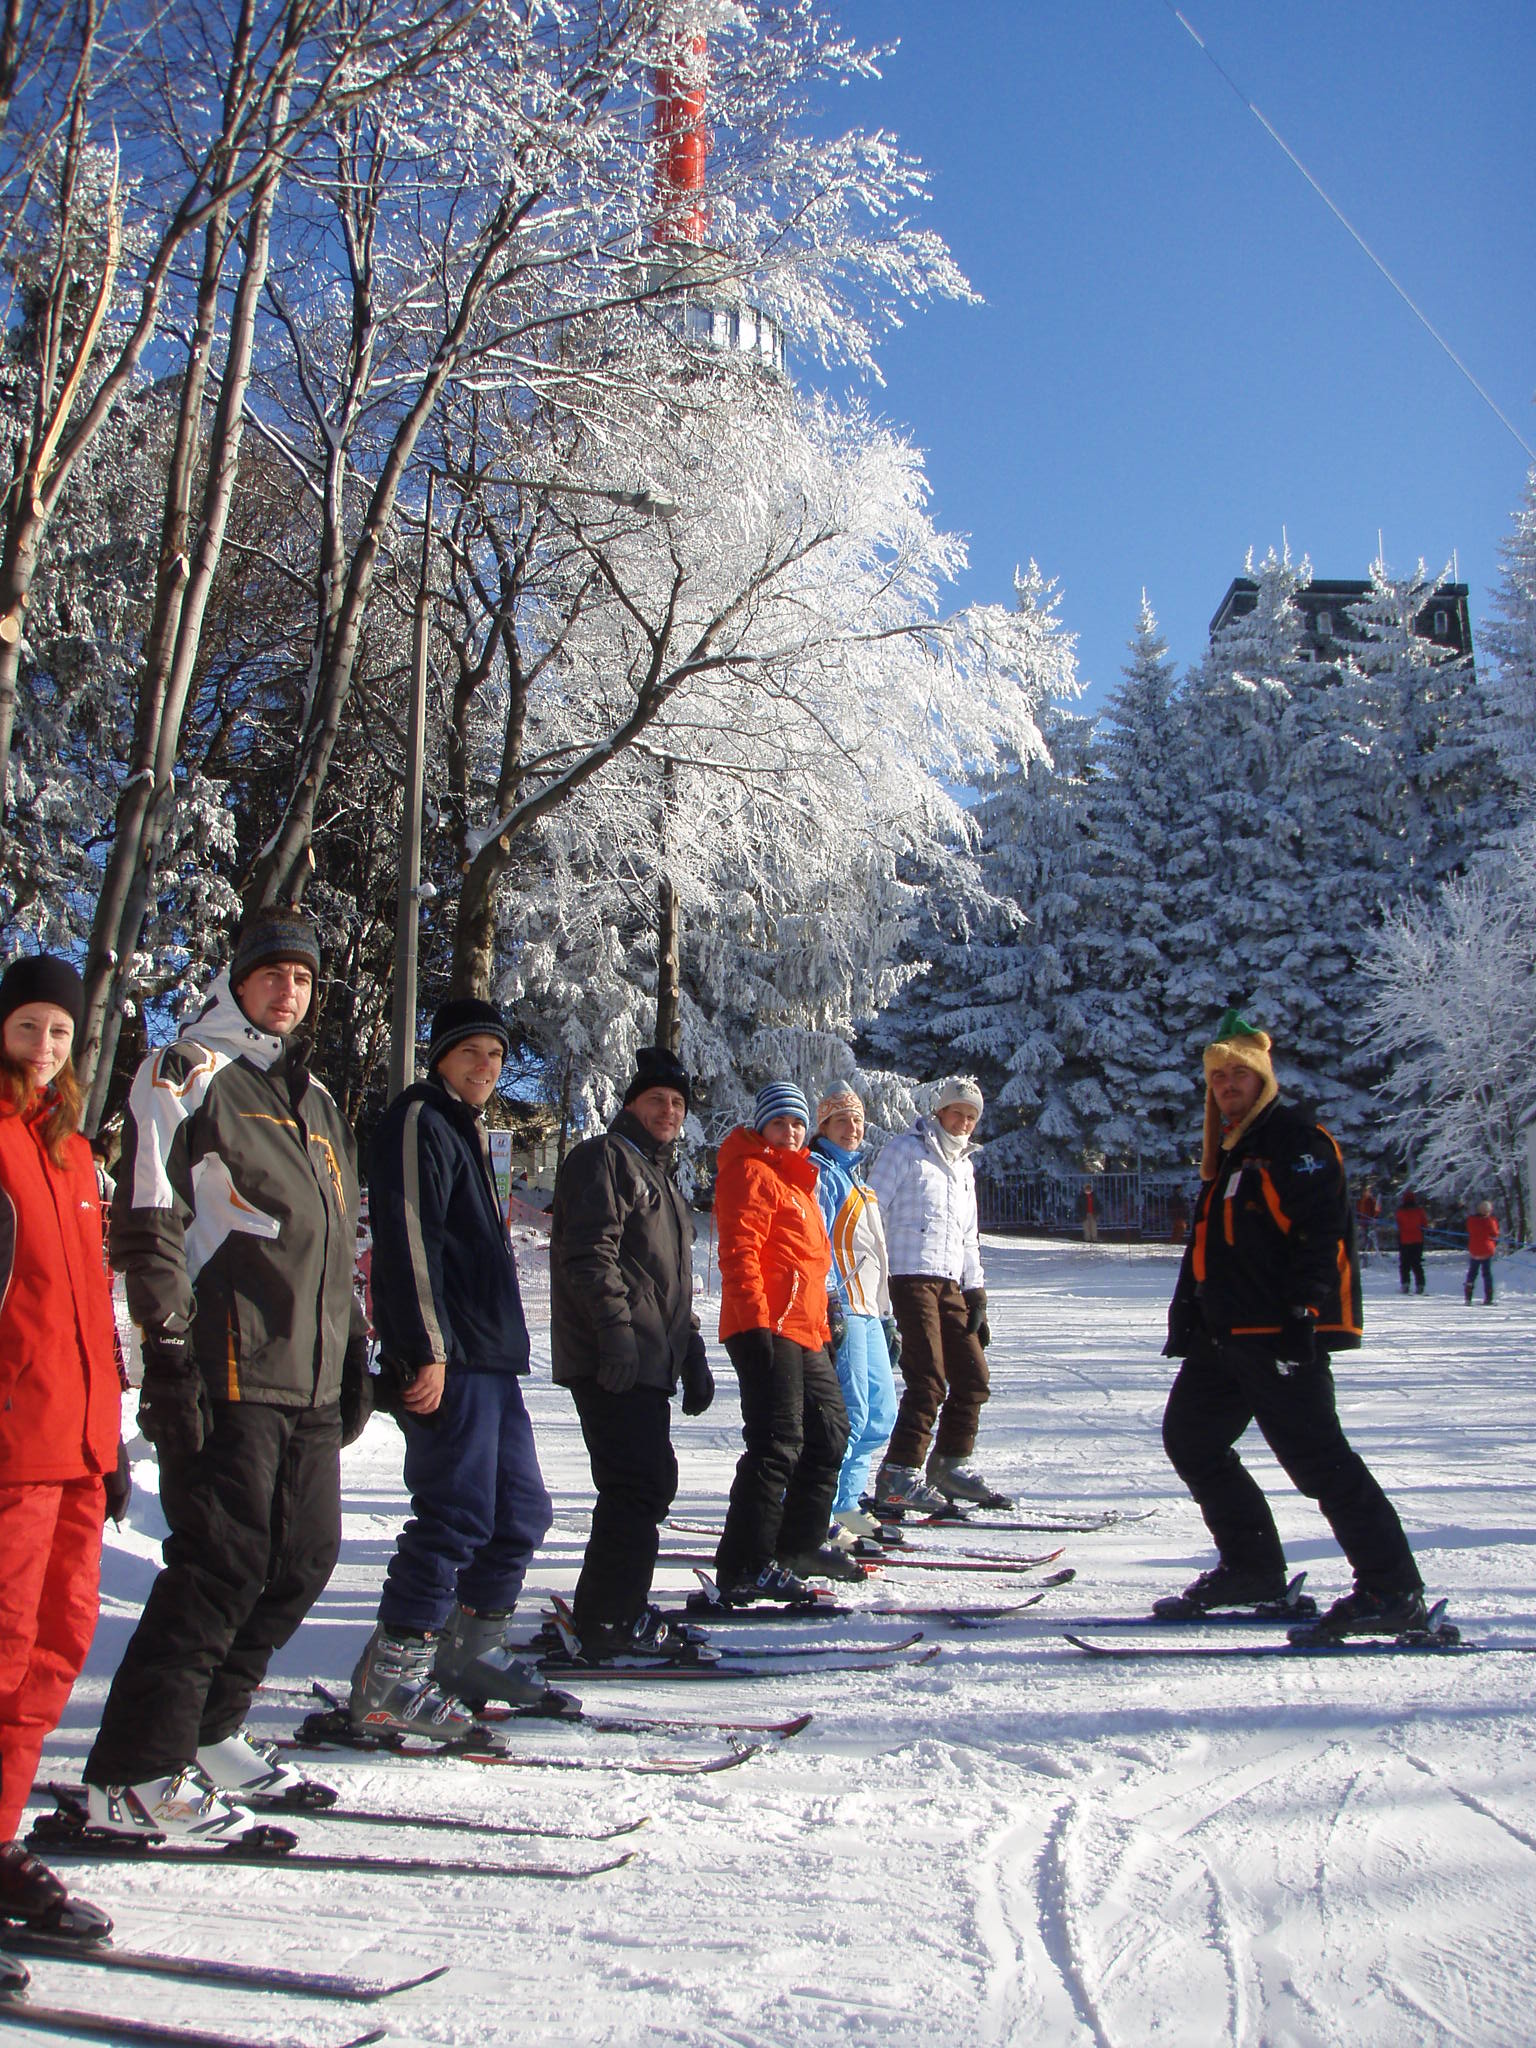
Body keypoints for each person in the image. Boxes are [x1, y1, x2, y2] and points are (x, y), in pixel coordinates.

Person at [82, 907, 372, 1839]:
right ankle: (131, 1773)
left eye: (303, 979)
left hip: (311, 1375)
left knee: (302, 1560)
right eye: (272, 975)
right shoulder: (188, 1074)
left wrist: (356, 1340)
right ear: (238, 980)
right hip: (230, 1364)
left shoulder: (316, 1099)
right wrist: (163, 1348)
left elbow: (329, 1239)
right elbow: (150, 1220)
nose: (288, 991)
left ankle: (208, 1733)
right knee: (219, 1566)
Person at [1161, 1008, 1427, 1634]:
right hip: (1222, 1337)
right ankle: (1253, 1568)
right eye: (1218, 1077)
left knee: (1318, 1460)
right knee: (1193, 1440)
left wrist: (1307, 1313)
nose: (1228, 1085)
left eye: (1239, 1074)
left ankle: (1393, 1591)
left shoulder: (1296, 1142)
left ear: (1263, 1079)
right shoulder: (1232, 1151)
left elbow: (1322, 1232)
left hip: (1278, 1333)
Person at [348, 997, 570, 1732]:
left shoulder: (467, 1130)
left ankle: (470, 1648)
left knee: (521, 1513)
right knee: (456, 1512)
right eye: (471, 1051)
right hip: (449, 1354)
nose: (486, 1065)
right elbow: (410, 1238)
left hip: (490, 1356)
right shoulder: (419, 1119)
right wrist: (421, 1349)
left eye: (497, 1055)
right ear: (440, 1055)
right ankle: (394, 1674)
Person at [0, 957, 119, 1940]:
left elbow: (90, 1303)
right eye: (30, 1026)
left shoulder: (71, 1150)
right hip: (10, 1442)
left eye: (60, 1032)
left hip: (78, 1445)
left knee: (55, 1646)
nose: (45, 1047)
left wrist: (110, 1439)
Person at [549, 1045, 714, 1662]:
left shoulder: (660, 1178)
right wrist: (614, 1334)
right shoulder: (604, 1159)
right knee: (636, 1484)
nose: (668, 1110)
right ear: (631, 1104)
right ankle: (609, 1618)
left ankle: (614, 1608)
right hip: (611, 1354)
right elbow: (589, 1254)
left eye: (676, 1102)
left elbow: (667, 1282)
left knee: (643, 1483)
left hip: (650, 1357)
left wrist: (690, 1347)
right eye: (656, 1100)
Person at [712, 1081, 849, 1602]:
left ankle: (798, 1544)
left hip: (804, 1329)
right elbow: (739, 1251)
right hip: (766, 1325)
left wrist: (823, 1326)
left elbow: (810, 1268)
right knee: (776, 1444)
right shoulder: (750, 1172)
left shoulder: (800, 1184)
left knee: (831, 1430)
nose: (790, 1131)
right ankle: (744, 1567)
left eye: (797, 1123)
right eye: (780, 1123)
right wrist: (751, 1328)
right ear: (761, 1126)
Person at [869, 1077, 1006, 1512]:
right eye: (957, 1113)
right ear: (940, 1112)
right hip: (908, 1278)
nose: (963, 1122)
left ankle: (950, 1463)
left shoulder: (964, 1165)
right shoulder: (905, 1150)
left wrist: (976, 1292)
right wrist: (875, 1286)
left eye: (971, 1116)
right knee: (928, 1377)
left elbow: (969, 1236)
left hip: (951, 1283)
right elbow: (870, 1213)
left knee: (972, 1374)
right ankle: (899, 1472)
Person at [809, 1086, 899, 1545]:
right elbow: (816, 1244)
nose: (853, 1129)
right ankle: (822, 1509)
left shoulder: (861, 1184)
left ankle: (847, 1500)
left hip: (869, 1309)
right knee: (851, 1413)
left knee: (882, 1413)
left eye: (858, 1121)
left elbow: (876, 1256)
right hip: (841, 1307)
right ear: (823, 1127)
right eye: (842, 1121)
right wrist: (828, 1303)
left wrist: (887, 1316)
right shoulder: (819, 1174)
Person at [1395, 1189, 1429, 1295]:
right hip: (1417, 1240)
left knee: (1404, 1264)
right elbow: (1424, 1224)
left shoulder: (1400, 1212)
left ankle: (1405, 1284)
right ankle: (1420, 1285)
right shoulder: (1419, 1211)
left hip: (1404, 1241)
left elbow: (1398, 1225)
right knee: (1417, 1263)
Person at [1465, 1201, 1498, 1305]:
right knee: (1487, 1274)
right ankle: (1488, 1298)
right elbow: (1495, 1233)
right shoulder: (1489, 1221)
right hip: (1486, 1250)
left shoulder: (1471, 1220)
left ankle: (1468, 1297)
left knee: (1472, 1273)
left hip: (1474, 1250)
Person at [1356, 1183, 1382, 1259]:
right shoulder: (1361, 1200)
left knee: (1370, 1235)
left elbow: (1376, 1210)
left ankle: (1371, 1249)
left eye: (1368, 1191)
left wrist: (1375, 1217)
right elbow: (1359, 1209)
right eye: (1366, 1191)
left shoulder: (1371, 1201)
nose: (1368, 1192)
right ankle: (1364, 1249)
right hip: (1363, 1221)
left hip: (1370, 1221)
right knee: (1364, 1235)